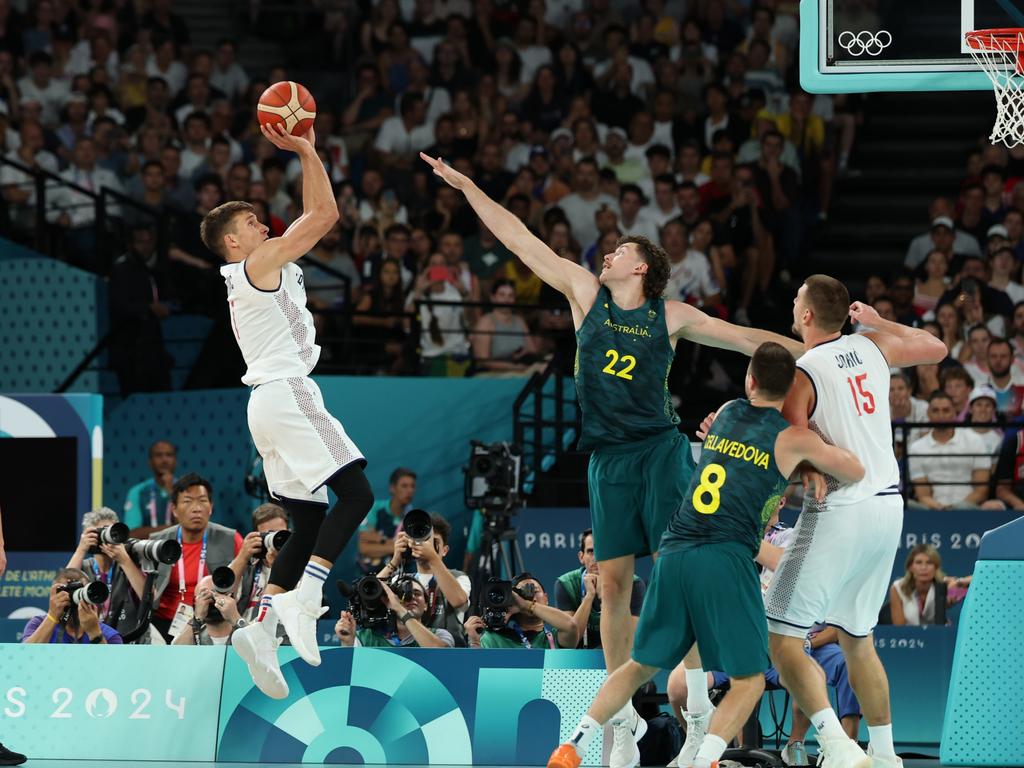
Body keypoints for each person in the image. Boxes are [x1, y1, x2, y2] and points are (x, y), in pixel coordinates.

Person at [422, 151, 801, 768]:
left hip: (662, 453)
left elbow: (747, 339)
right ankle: (621, 717)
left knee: (686, 571)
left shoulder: (670, 316)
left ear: (644, 266)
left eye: (620, 250)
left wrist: (821, 349)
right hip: (609, 461)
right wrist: (468, 187)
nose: (607, 255)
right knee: (613, 585)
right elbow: (520, 241)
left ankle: (701, 703)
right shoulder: (583, 293)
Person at [547, 342, 866, 768]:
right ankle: (705, 760)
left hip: (676, 547)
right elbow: (855, 470)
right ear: (792, 389)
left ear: (750, 380)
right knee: (749, 680)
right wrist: (812, 454)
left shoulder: (730, 411)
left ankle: (573, 744)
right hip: (726, 555)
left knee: (640, 664)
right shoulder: (794, 439)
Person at [202, 121, 375, 700]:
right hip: (288, 392)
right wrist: (304, 147)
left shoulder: (253, 269)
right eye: (250, 222)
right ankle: (307, 596)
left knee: (304, 524)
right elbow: (324, 216)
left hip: (264, 405)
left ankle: (263, 627)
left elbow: (308, 220)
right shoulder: (258, 265)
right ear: (233, 241)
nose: (261, 223)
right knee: (357, 496)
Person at [767, 278, 947, 768]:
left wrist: (805, 468)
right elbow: (936, 347)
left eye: (796, 299)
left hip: (840, 505)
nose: (793, 304)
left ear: (806, 316)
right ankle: (886, 755)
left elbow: (787, 436)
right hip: (888, 507)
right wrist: (879, 320)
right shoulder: (872, 345)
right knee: (857, 638)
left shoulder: (804, 370)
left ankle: (839, 745)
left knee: (781, 639)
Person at [149, 474, 244, 642]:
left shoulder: (231, 539)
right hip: (164, 623)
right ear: (174, 509)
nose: (196, 508)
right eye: (187, 501)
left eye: (202, 500)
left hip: (213, 621)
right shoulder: (157, 542)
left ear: (211, 507)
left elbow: (244, 584)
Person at [377, 513, 471, 644]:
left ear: (445, 550)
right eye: (423, 541)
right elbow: (371, 594)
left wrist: (433, 558)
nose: (427, 546)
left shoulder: (459, 577)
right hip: (410, 653)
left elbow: (458, 600)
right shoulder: (402, 581)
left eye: (434, 542)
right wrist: (394, 561)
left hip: (448, 655)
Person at [554, 528, 646, 649]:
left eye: (603, 551)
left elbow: (629, 639)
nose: (597, 558)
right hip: (576, 658)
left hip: (618, 655)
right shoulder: (566, 584)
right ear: (581, 557)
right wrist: (589, 597)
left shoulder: (633, 584)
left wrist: (605, 596)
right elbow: (569, 641)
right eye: (591, 551)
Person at [66, 507, 152, 635]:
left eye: (112, 532)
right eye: (102, 532)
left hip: (129, 643)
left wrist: (125, 561)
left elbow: (150, 599)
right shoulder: (82, 567)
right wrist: (81, 549)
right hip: (90, 642)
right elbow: (61, 590)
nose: (108, 537)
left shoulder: (130, 563)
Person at [908, 392, 1001, 510]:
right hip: (933, 509)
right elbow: (923, 495)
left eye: (946, 410)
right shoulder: (917, 448)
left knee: (967, 507)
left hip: (968, 508)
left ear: (954, 413)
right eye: (935, 411)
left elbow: (981, 491)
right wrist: (940, 508)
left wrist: (955, 508)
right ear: (928, 413)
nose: (941, 415)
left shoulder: (975, 441)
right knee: (907, 505)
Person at [465, 573, 581, 649]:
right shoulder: (493, 639)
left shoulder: (556, 638)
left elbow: (571, 625)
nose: (531, 598)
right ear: (511, 600)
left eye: (534, 591)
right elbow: (478, 675)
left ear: (546, 598)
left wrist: (527, 605)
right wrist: (475, 642)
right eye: (523, 595)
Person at [336, 576, 455, 647]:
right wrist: (347, 642)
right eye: (403, 594)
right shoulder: (364, 638)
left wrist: (399, 609)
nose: (411, 597)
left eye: (417, 593)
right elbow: (350, 672)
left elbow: (441, 655)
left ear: (425, 606)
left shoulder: (440, 635)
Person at [22, 568, 124, 644]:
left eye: (81, 590)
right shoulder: (38, 624)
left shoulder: (109, 635)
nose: (72, 599)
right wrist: (52, 616)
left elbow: (112, 668)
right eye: (66, 592)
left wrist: (94, 632)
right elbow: (26, 657)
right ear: (53, 596)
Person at [470, 278, 540, 374]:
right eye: (502, 295)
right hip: (494, 374)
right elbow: (483, 360)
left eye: (510, 295)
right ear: (493, 297)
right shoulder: (486, 322)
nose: (506, 300)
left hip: (522, 369)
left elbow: (533, 351)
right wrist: (514, 367)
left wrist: (523, 354)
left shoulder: (520, 321)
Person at [235, 503, 290, 623]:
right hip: (243, 632)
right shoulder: (247, 566)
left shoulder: (301, 569)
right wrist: (242, 558)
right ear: (257, 536)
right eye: (269, 535)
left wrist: (278, 569)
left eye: (280, 534)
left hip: (283, 636)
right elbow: (223, 593)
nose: (275, 541)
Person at [889, 544, 967, 627]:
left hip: (939, 636)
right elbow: (899, 628)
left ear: (936, 567)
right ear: (910, 567)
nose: (923, 567)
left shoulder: (944, 586)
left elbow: (977, 581)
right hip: (909, 637)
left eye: (929, 563)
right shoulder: (898, 588)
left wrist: (958, 582)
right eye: (918, 562)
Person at [358, 467, 417, 572]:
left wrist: (380, 542)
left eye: (412, 486)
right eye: (404, 486)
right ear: (392, 488)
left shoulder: (413, 517)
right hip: (370, 577)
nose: (410, 490)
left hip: (401, 578)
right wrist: (397, 547)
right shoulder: (375, 509)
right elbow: (364, 548)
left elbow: (412, 552)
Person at [172, 574, 245, 645]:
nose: (213, 600)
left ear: (231, 598)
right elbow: (175, 654)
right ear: (195, 603)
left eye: (219, 593)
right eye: (204, 595)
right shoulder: (189, 633)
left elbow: (256, 648)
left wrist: (236, 619)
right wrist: (196, 619)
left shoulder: (248, 628)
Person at [123, 440, 177, 533]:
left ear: (175, 461)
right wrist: (172, 530)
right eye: (159, 455)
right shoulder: (138, 492)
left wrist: (173, 494)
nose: (164, 460)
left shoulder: (187, 490)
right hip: (146, 547)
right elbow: (132, 533)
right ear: (150, 462)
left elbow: (189, 531)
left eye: (169, 455)